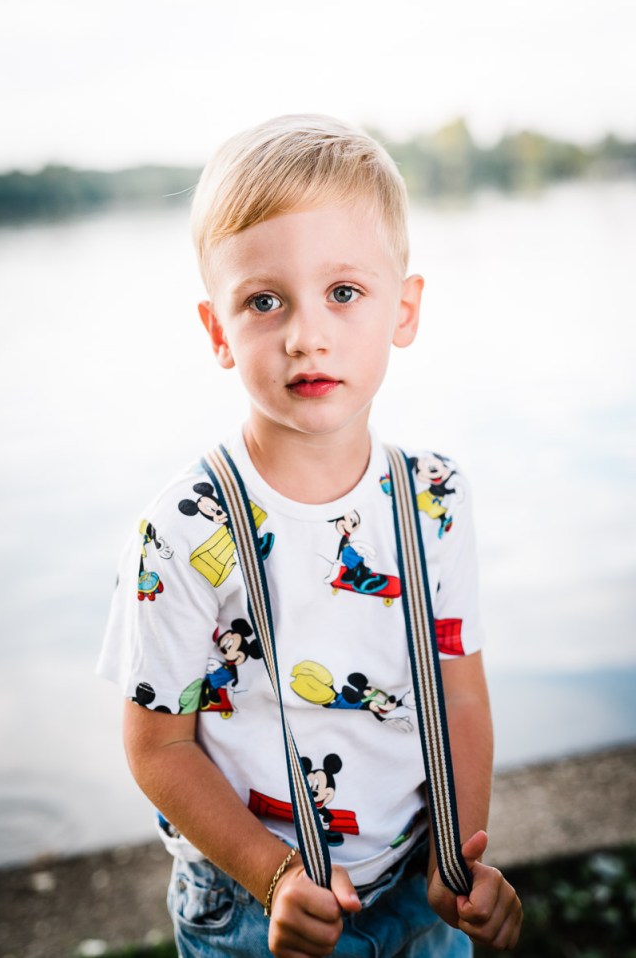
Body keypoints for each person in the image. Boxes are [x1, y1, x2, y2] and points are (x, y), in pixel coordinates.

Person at [98, 114, 522, 958]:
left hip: (416, 887)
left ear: (404, 309)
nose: (306, 335)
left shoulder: (435, 499)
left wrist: (456, 853)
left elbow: (460, 694)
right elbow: (159, 745)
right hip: (251, 908)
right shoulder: (183, 529)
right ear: (217, 331)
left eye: (344, 293)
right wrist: (274, 876)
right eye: (264, 302)